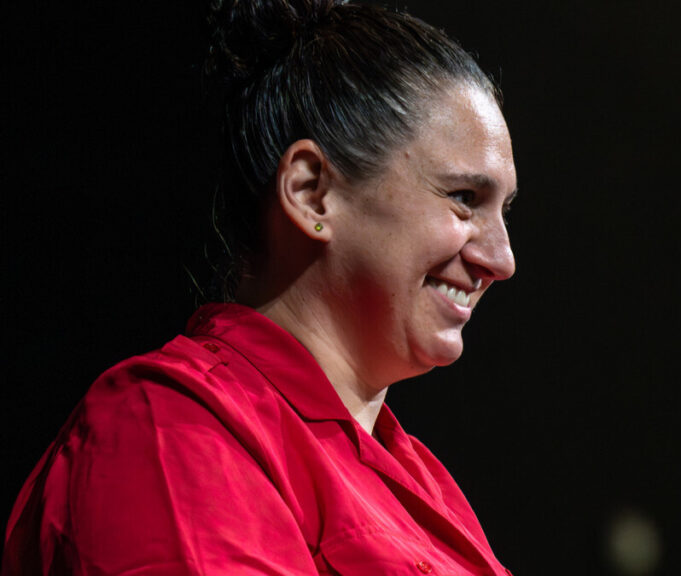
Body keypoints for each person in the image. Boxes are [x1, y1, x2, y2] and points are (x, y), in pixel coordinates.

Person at [2, 1, 517, 574]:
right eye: (464, 199)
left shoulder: (428, 492)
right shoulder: (171, 429)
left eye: (505, 210)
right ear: (312, 192)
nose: (502, 259)